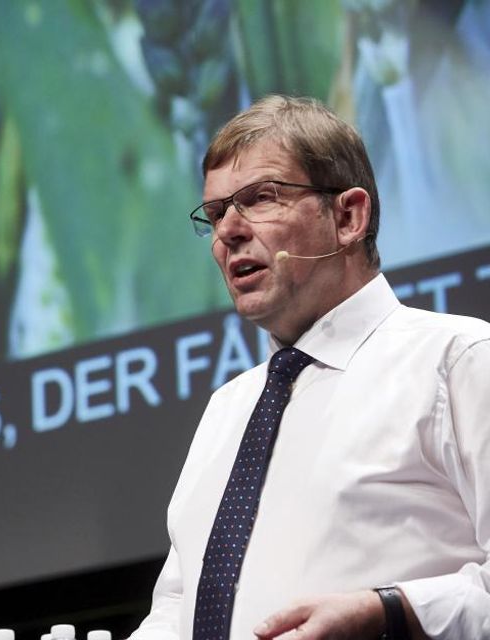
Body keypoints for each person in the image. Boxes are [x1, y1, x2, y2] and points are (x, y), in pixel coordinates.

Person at [128, 95, 490, 640]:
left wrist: (391, 611)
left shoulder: (457, 360)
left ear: (348, 216)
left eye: (260, 198)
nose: (228, 232)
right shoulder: (228, 409)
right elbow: (178, 609)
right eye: (217, 212)